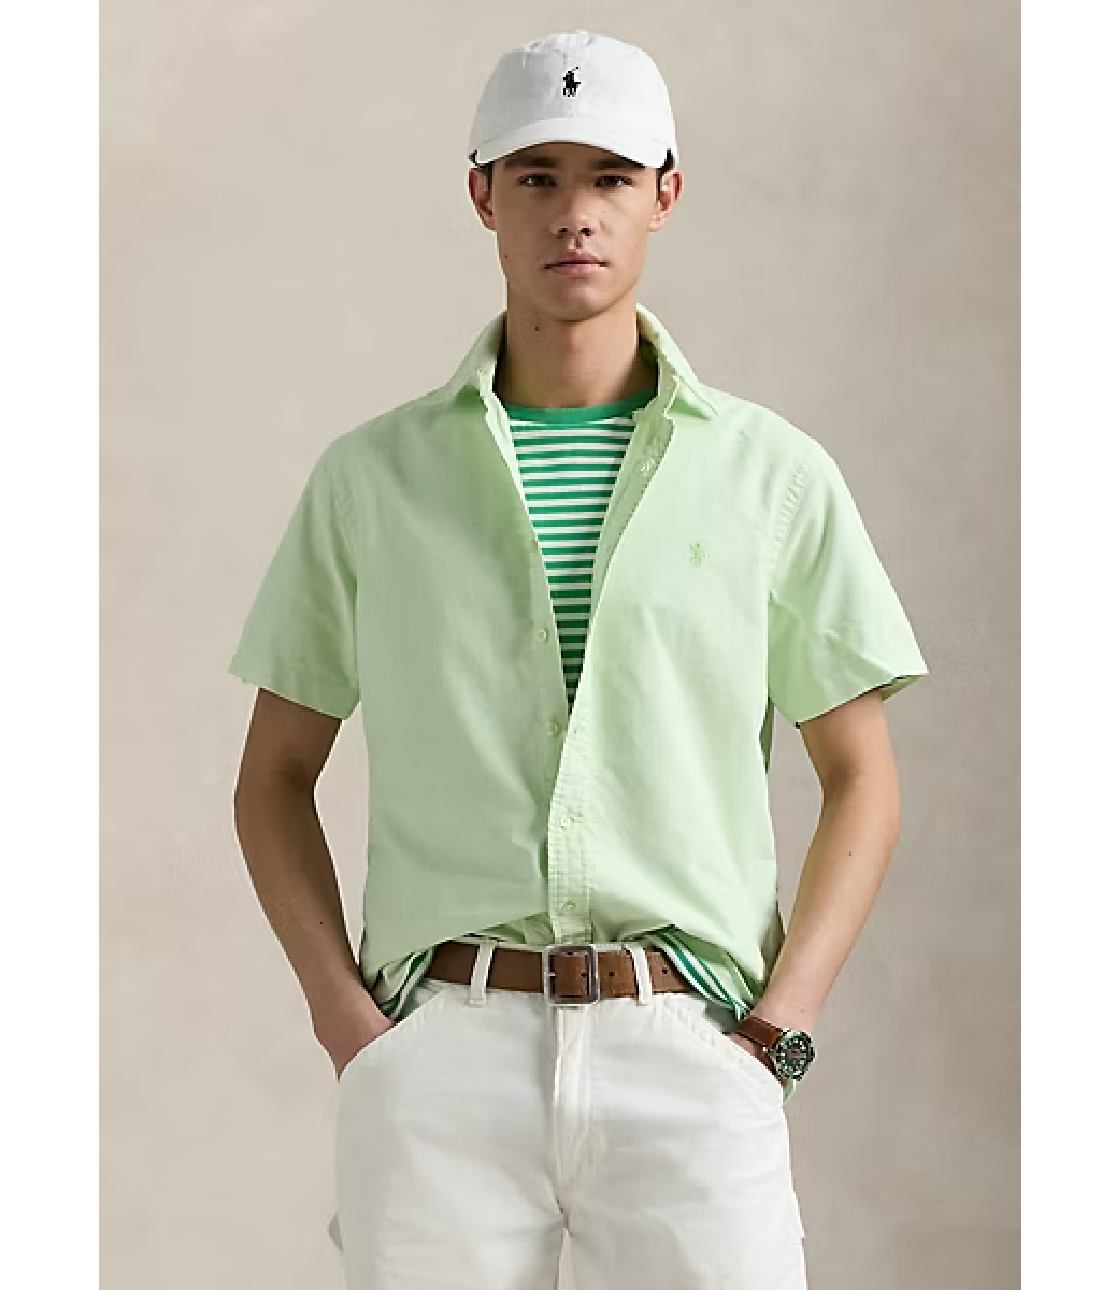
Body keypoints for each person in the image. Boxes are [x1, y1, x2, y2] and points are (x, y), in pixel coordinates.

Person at [228, 29, 929, 1290]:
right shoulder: (371, 481)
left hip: (692, 1046)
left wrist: (779, 1028)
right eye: (536, 175)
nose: (574, 213)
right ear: (482, 195)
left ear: (666, 193)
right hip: (440, 1054)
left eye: (609, 176)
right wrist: (349, 1023)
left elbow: (862, 778)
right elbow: (273, 776)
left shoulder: (770, 475)